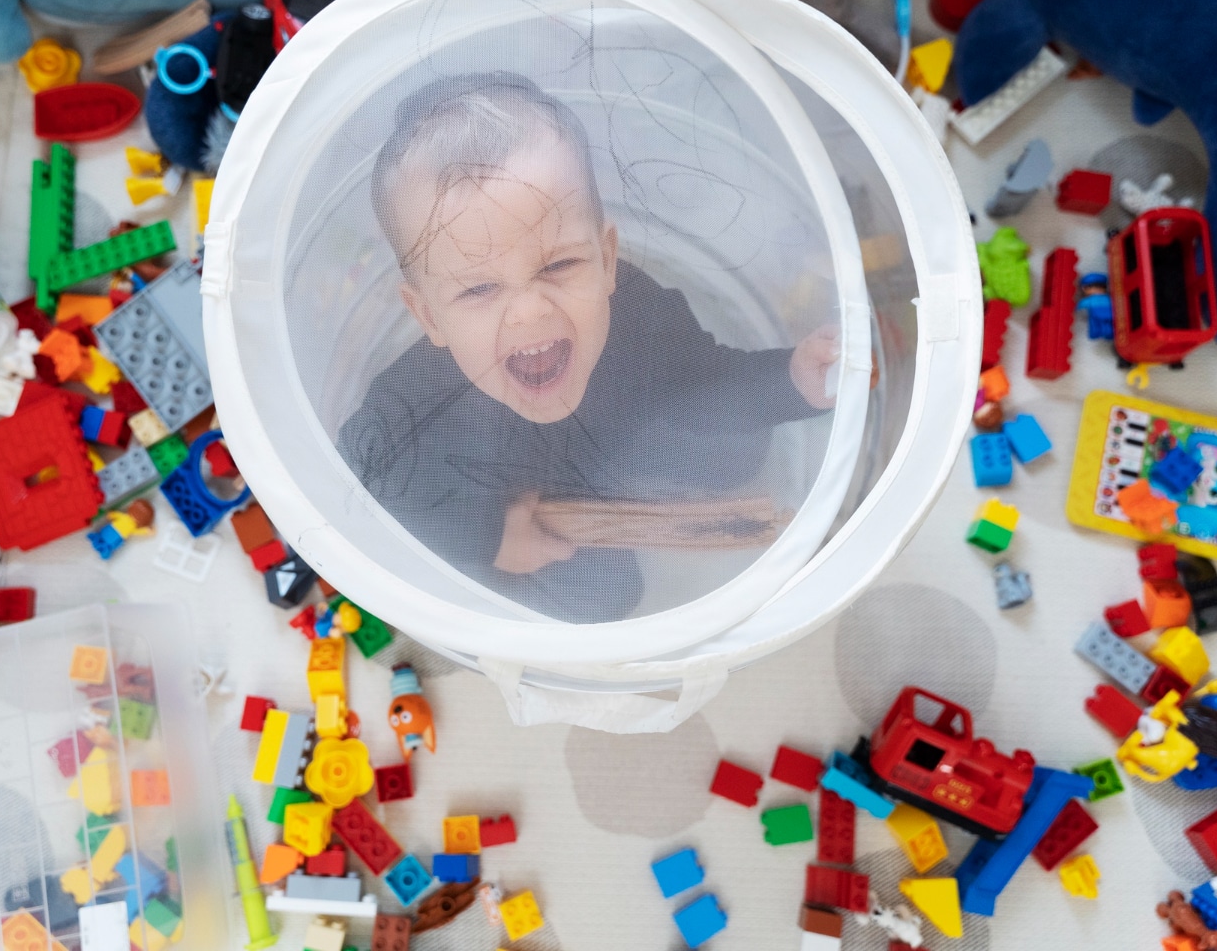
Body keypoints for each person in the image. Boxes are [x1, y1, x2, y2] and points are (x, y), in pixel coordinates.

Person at [338, 72, 842, 622]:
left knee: (736, 449)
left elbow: (710, 377)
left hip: (620, 439)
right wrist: (484, 539)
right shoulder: (414, 405)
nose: (530, 310)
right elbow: (361, 484)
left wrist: (790, 380)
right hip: (510, 503)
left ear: (606, 259)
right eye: (479, 289)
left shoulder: (643, 313)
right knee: (600, 596)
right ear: (429, 315)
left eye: (559, 264)